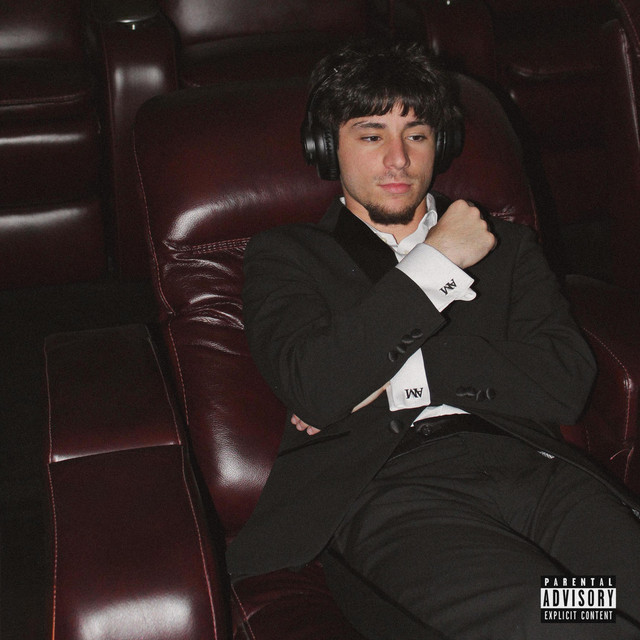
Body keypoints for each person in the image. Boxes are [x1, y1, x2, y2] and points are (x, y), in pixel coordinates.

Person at [226, 40, 640, 639]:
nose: (397, 159)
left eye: (416, 135)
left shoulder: (507, 247)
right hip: (396, 491)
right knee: (558, 616)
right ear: (326, 148)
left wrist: (402, 374)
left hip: (535, 473)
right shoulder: (286, 256)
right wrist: (436, 262)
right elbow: (315, 386)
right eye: (371, 135)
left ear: (438, 145)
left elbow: (567, 382)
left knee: (611, 604)